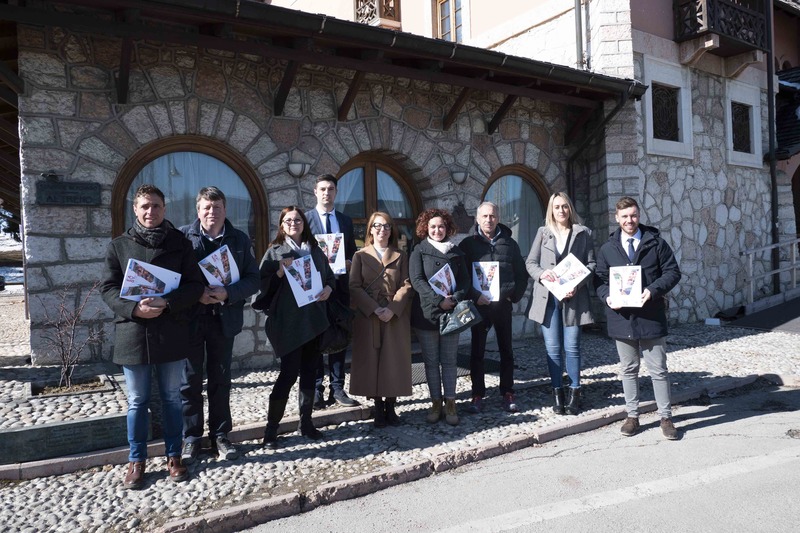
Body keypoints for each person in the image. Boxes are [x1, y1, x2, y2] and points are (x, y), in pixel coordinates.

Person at [100, 184, 205, 489]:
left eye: (156, 206)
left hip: (170, 331)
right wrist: (134, 309)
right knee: (136, 401)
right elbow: (107, 289)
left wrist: (167, 303)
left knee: (172, 398)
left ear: (164, 208)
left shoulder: (180, 243)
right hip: (133, 334)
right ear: (135, 209)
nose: (150, 212)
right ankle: (136, 460)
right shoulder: (118, 246)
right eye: (145, 206)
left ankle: (174, 456)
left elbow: (194, 286)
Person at [179, 187, 260, 463]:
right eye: (206, 207)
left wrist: (229, 293)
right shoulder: (182, 238)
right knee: (188, 382)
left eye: (217, 207)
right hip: (190, 320)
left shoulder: (238, 239)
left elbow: (253, 278)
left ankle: (221, 436)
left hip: (224, 319)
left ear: (225, 210)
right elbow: (173, 279)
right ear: (198, 210)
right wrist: (195, 294)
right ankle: (191, 438)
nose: (212, 212)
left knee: (220, 381)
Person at [594, 196, 682, 440]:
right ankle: (632, 416)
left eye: (633, 215)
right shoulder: (608, 248)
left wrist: (652, 291)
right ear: (617, 218)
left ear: (639, 215)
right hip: (622, 317)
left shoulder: (656, 243)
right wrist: (606, 297)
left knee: (658, 369)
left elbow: (673, 272)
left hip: (651, 316)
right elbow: (599, 279)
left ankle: (666, 418)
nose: (629, 220)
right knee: (629, 369)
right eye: (624, 216)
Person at [256, 207, 335, 447]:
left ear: (304, 223)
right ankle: (271, 429)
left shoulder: (316, 251)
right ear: (281, 225)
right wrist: (279, 272)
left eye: (297, 219)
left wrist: (328, 289)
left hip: (313, 321)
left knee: (310, 373)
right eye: (288, 220)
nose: (293, 223)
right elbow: (261, 287)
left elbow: (329, 278)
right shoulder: (274, 251)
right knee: (288, 374)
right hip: (288, 323)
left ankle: (306, 422)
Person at [526, 192, 595, 416]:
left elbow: (592, 264)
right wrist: (542, 274)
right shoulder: (543, 233)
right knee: (553, 349)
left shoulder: (583, 233)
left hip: (574, 298)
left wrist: (579, 282)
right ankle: (558, 392)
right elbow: (530, 262)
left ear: (570, 208)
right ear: (551, 210)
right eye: (557, 207)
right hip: (548, 299)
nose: (561, 211)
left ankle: (575, 391)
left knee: (573, 347)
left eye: (565, 206)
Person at [458, 202, 529, 413]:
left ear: (497, 218)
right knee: (477, 352)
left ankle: (507, 392)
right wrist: (474, 295)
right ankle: (477, 394)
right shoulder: (468, 245)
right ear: (477, 219)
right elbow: (461, 277)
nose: (488, 220)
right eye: (484, 216)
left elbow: (521, 274)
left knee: (506, 350)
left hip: (502, 307)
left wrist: (513, 297)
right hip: (479, 306)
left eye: (492, 216)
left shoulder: (509, 243)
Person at [349, 211, 414, 427]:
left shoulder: (400, 255)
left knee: (393, 360)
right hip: (369, 316)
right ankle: (377, 407)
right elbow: (354, 286)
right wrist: (374, 308)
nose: (382, 230)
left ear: (391, 230)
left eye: (386, 226)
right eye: (377, 226)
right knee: (371, 360)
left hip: (394, 316)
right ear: (370, 229)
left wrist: (393, 308)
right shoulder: (360, 256)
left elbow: (406, 284)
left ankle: (391, 406)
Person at [409, 208, 470, 425]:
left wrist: (455, 297)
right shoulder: (419, 250)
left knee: (450, 361)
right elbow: (416, 280)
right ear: (426, 228)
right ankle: (436, 402)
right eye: (433, 226)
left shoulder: (456, 252)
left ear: (447, 228)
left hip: (452, 313)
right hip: (428, 314)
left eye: (441, 226)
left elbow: (465, 281)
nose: (437, 230)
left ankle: (451, 403)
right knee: (431, 362)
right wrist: (438, 300)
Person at [305, 174, 360, 408]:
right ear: (315, 192)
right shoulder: (305, 220)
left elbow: (352, 252)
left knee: (339, 337)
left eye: (331, 189)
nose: (327, 193)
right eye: (323, 189)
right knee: (316, 338)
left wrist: (348, 262)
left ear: (336, 192)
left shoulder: (345, 221)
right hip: (316, 290)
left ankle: (338, 388)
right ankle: (316, 389)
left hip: (339, 288)